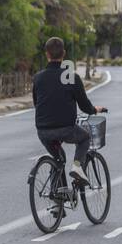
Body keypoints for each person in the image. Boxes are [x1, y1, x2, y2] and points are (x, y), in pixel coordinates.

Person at [33, 36, 107, 186]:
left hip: (43, 131)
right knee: (85, 138)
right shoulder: (72, 78)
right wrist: (94, 110)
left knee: (59, 159)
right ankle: (77, 167)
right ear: (64, 54)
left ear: (47, 54)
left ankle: (57, 200)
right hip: (66, 129)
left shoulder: (38, 78)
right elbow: (85, 106)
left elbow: (36, 103)